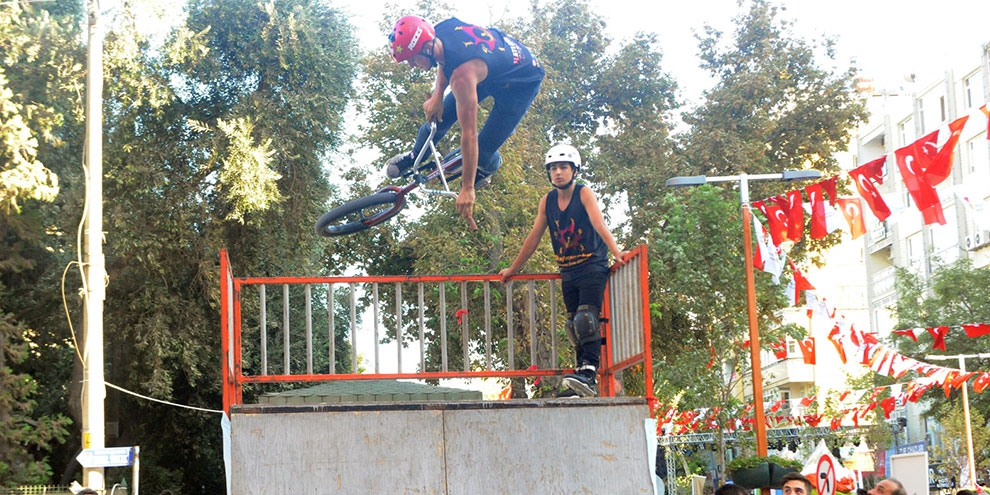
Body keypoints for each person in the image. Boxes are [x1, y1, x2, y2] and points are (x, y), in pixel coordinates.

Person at [387, 15, 545, 230]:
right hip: (490, 65)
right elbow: (445, 59)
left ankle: (487, 167)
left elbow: (468, 134)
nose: (411, 65)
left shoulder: (462, 76)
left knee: (483, 148)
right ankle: (415, 155)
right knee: (438, 117)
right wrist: (437, 95)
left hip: (520, 83)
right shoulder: (438, 32)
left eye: (412, 59)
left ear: (425, 47)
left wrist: (467, 188)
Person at [498, 144, 628, 397]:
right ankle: (581, 378)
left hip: (592, 263)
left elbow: (598, 224)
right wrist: (513, 269)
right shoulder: (547, 201)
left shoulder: (584, 193)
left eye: (563, 168)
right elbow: (534, 236)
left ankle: (589, 373)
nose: (558, 172)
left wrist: (616, 251)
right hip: (568, 268)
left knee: (586, 319)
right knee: (573, 324)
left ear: (574, 170)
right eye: (554, 168)